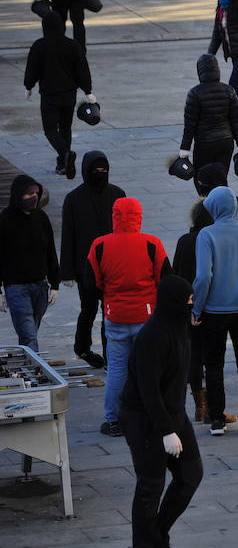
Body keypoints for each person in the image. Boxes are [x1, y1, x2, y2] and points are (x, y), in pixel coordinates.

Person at [119, 275, 203, 548]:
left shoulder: (178, 327)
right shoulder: (153, 337)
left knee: (191, 474)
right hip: (145, 420)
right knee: (150, 486)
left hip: (173, 413)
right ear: (174, 304)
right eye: (188, 302)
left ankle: (156, 534)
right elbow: (148, 390)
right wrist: (167, 431)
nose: (191, 307)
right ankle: (147, 543)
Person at [86, 198, 170, 437]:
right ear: (139, 217)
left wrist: (109, 296)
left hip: (116, 315)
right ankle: (153, 417)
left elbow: (91, 283)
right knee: (149, 370)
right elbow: (165, 279)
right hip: (146, 317)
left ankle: (114, 420)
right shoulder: (152, 244)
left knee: (117, 369)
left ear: (114, 216)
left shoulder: (100, 245)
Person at [192, 186, 238, 436]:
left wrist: (197, 308)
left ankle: (217, 420)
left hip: (214, 310)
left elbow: (203, 276)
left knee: (213, 364)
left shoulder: (206, 235)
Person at [60, 151, 125, 368]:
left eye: (104, 169)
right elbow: (68, 236)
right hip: (85, 269)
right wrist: (66, 272)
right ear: (87, 171)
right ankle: (82, 347)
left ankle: (109, 356)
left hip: (113, 267)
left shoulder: (117, 194)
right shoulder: (73, 199)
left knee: (109, 311)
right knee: (88, 309)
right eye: (96, 169)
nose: (100, 173)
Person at [24, 11, 93, 178]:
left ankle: (65, 154)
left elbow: (32, 69)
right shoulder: (73, 45)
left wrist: (29, 86)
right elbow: (82, 69)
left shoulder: (39, 45)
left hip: (49, 95)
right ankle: (63, 165)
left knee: (50, 130)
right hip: (69, 95)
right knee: (65, 128)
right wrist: (88, 90)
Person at [0, 175, 60, 350]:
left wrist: (55, 283)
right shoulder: (4, 220)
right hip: (16, 288)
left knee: (30, 333)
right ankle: (37, 372)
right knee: (28, 336)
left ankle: (26, 368)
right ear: (18, 195)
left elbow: (50, 251)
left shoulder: (41, 218)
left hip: (40, 286)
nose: (33, 197)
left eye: (36, 193)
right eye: (28, 194)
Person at [178, 54, 238, 193]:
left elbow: (189, 125)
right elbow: (236, 122)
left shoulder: (195, 93)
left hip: (204, 144)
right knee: (221, 178)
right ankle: (222, 204)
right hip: (226, 142)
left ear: (200, 71)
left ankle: (206, 206)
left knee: (202, 178)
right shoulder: (229, 91)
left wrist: (185, 149)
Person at [173, 202, 213, 423]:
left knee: (194, 357)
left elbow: (176, 273)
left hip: (188, 306)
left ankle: (200, 405)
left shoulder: (185, 241)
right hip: (214, 305)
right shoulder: (214, 239)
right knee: (213, 357)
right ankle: (213, 407)